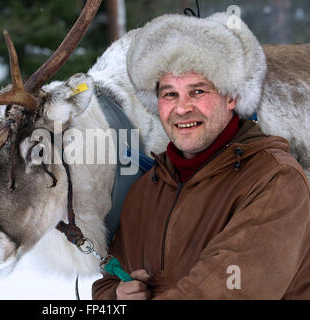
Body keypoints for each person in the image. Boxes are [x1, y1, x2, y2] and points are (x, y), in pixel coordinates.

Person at [92, 12, 309, 299]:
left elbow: (225, 291)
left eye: (198, 91)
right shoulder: (148, 188)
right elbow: (107, 282)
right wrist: (117, 294)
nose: (182, 108)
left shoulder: (276, 181)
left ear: (231, 97)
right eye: (170, 94)